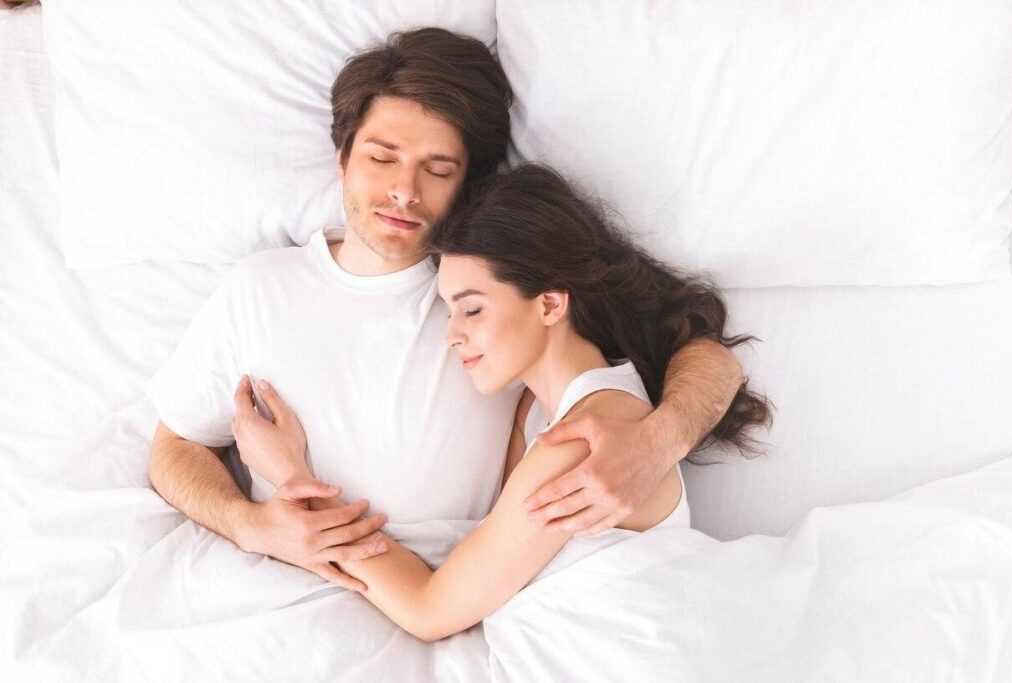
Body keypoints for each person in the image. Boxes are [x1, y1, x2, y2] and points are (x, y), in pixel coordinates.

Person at [147, 28, 754, 592]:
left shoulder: (496, 281)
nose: (404, 192)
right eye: (381, 159)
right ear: (342, 159)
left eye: (437, 170)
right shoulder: (257, 287)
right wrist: (249, 523)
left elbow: (696, 344)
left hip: (455, 589)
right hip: (294, 581)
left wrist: (659, 441)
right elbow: (175, 445)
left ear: (467, 182)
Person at [232, 164, 770, 641]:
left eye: (472, 310)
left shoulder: (586, 438)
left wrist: (293, 478)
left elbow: (428, 609)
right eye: (448, 312)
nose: (452, 336)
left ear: (551, 303)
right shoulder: (537, 414)